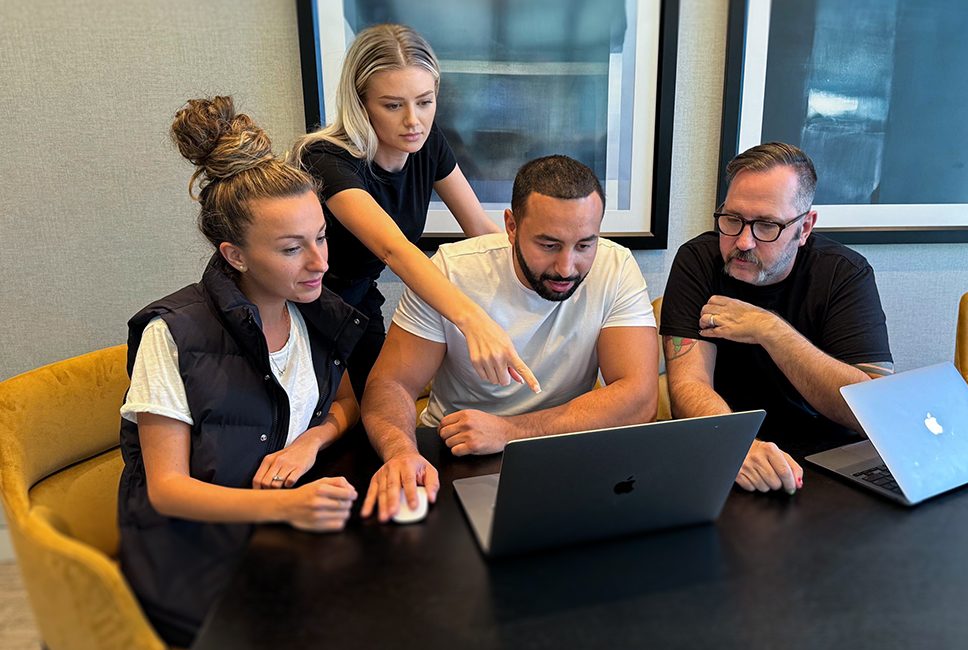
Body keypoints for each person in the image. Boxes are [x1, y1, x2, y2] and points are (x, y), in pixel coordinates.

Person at [117, 96, 365, 646]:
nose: (321, 262)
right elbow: (168, 491)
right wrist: (287, 504)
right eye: (291, 248)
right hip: (196, 560)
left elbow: (346, 405)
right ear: (235, 255)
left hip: (284, 539)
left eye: (321, 236)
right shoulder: (175, 334)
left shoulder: (318, 312)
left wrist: (312, 441)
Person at [358, 155, 658, 521]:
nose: (567, 267)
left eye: (584, 245)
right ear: (511, 226)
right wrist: (402, 453)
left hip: (565, 452)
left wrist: (510, 431)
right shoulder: (451, 271)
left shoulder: (616, 267)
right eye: (548, 245)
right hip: (457, 455)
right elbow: (391, 383)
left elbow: (640, 398)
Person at [292, 23, 538, 399]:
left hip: (357, 305)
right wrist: (473, 321)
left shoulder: (427, 143)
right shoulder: (326, 161)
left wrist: (543, 267)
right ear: (361, 103)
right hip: (300, 311)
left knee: (374, 410)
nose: (414, 120)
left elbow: (479, 228)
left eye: (424, 101)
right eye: (393, 105)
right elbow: (394, 250)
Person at [660, 142, 893, 496]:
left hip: (831, 461)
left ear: (805, 227)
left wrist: (770, 330)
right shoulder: (698, 261)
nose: (743, 241)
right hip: (731, 451)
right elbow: (689, 385)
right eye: (732, 219)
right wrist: (736, 445)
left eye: (767, 225)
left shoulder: (843, 273)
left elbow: (875, 410)